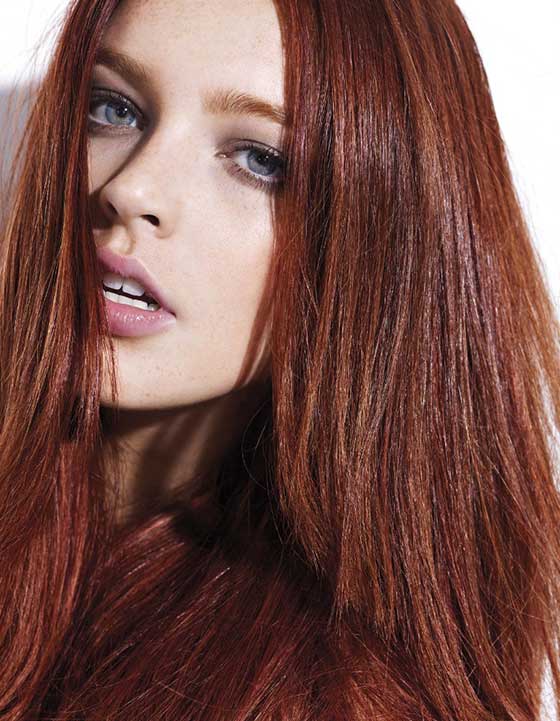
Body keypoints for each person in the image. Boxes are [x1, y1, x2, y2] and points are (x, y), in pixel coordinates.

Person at [0, 0, 559, 719]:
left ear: (384, 251)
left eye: (259, 160)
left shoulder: (331, 697)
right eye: (115, 109)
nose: (130, 190)